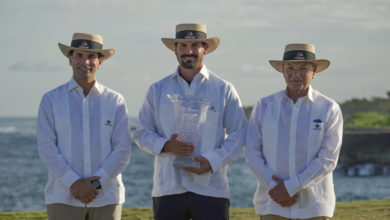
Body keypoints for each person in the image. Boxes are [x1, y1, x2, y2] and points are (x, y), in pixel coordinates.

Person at [134, 23, 247, 220]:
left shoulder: (224, 89)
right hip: (168, 188)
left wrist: (211, 162)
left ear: (206, 48)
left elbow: (239, 135)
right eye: (183, 46)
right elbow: (141, 133)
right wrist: (166, 145)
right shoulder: (157, 90)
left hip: (211, 188)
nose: (189, 51)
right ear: (175, 49)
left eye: (195, 45)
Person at [37, 33, 132, 220]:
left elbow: (123, 150)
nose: (84, 61)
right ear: (70, 59)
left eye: (91, 56)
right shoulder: (51, 100)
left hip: (107, 197)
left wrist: (95, 185)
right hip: (63, 197)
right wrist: (74, 183)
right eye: (79, 55)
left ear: (100, 61)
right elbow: (46, 148)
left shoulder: (115, 100)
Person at [245, 43, 343, 220]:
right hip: (272, 204)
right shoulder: (264, 106)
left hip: (314, 206)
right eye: (290, 68)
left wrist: (290, 187)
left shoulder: (329, 108)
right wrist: (274, 187)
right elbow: (252, 152)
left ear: (314, 72)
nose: (295, 74)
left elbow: (328, 158)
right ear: (283, 71)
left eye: (303, 68)